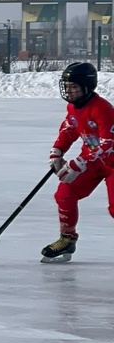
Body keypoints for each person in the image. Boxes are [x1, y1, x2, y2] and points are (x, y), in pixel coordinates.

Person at [41, 63, 114, 263]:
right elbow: (70, 128)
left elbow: (109, 145)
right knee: (65, 194)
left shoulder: (102, 109)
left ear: (88, 86)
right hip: (93, 162)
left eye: (74, 87)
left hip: (111, 163)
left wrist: (79, 163)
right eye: (66, 86)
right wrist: (58, 151)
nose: (69, 91)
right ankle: (67, 238)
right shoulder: (73, 107)